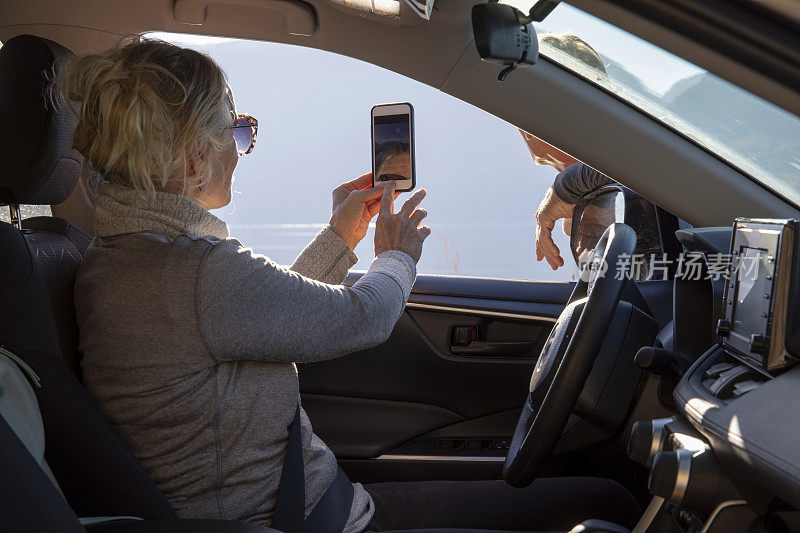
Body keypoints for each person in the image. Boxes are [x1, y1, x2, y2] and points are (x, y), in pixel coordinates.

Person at [55, 36, 641, 533]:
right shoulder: (193, 269)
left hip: (307, 503)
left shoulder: (124, 261)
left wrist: (341, 239)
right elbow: (361, 318)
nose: (243, 151)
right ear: (193, 160)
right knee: (606, 503)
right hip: (305, 519)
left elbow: (264, 315)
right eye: (237, 132)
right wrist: (397, 256)